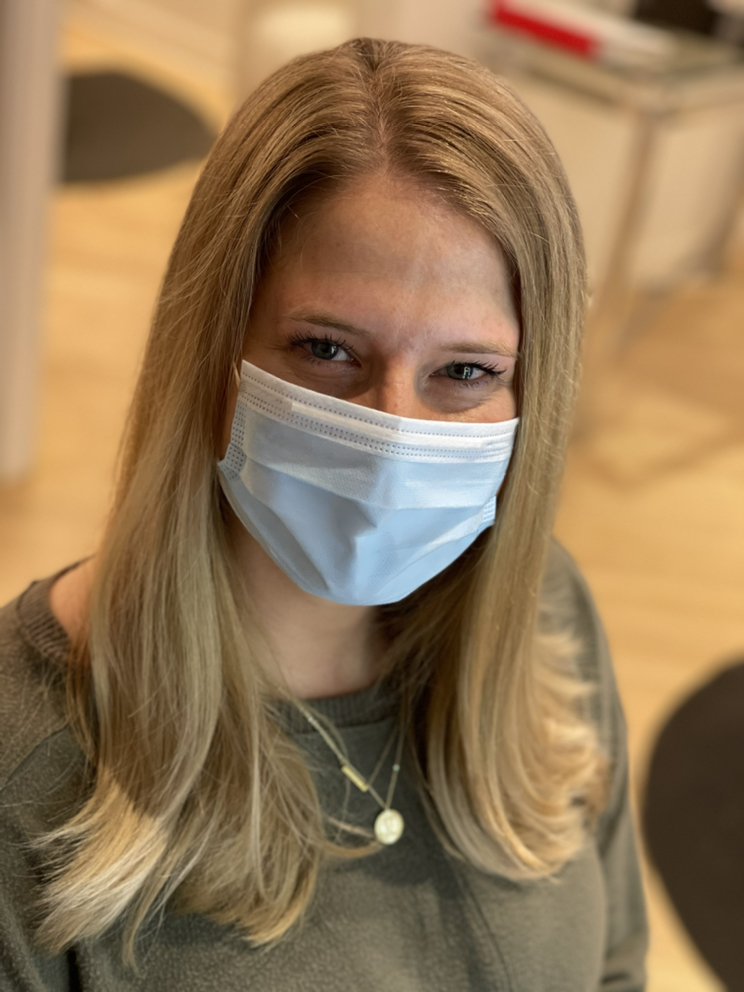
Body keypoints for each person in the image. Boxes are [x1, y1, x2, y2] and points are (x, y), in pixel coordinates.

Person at [0, 38, 647, 991]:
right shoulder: (25, 783)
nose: (392, 432)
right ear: (212, 346)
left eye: (466, 371)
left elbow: (616, 965)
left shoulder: (545, 612)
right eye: (327, 350)